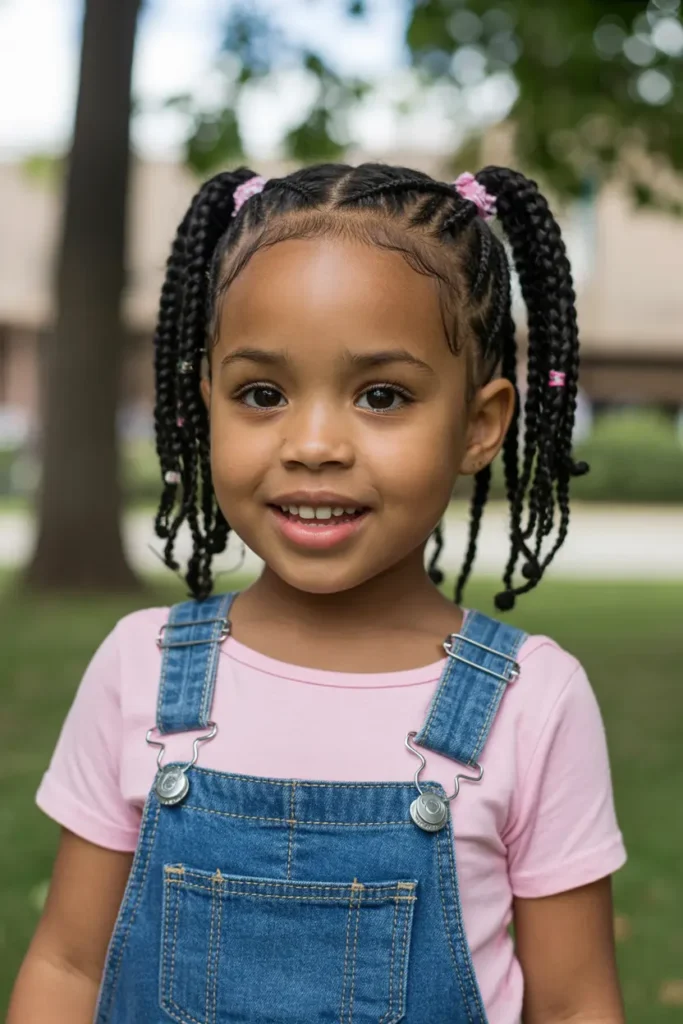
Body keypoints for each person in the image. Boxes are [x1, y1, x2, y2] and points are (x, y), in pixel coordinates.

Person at [9, 163, 626, 1023]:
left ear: (479, 426)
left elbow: (572, 1005)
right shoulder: (139, 669)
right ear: (206, 406)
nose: (312, 444)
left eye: (382, 396)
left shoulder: (532, 701)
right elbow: (67, 967)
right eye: (261, 394)